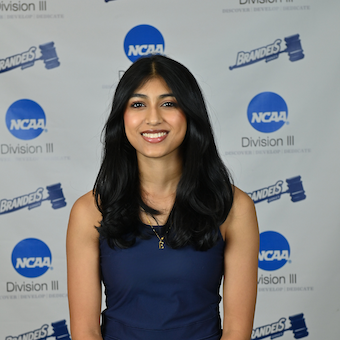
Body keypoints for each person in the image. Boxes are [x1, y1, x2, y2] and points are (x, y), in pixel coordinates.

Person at [66, 55, 259, 340]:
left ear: (190, 113)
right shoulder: (89, 210)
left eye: (168, 104)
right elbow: (85, 332)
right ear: (123, 117)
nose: (153, 118)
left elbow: (236, 333)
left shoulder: (234, 207)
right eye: (138, 104)